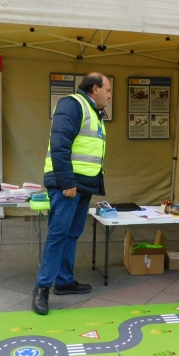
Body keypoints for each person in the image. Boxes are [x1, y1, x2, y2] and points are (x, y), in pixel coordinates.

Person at [32, 72, 111, 315]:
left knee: (71, 234)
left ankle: (64, 281)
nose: (109, 95)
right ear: (95, 88)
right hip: (68, 184)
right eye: (107, 90)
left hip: (82, 185)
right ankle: (42, 288)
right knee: (58, 233)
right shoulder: (73, 104)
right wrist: (67, 182)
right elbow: (60, 144)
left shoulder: (93, 113)